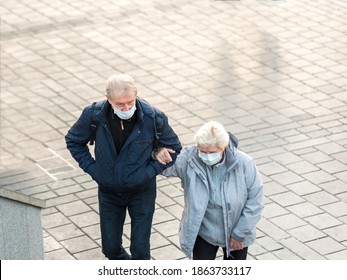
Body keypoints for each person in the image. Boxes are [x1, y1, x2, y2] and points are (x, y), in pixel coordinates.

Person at [65, 73, 181, 260]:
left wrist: (150, 171)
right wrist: (95, 171)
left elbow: (174, 148)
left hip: (142, 192)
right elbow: (73, 141)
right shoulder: (93, 115)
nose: (126, 108)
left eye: (130, 102)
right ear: (108, 99)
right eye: (120, 104)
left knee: (141, 251)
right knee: (110, 249)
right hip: (109, 192)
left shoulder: (153, 117)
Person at [155, 121, 263, 260]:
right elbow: (166, 167)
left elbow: (256, 201)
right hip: (204, 232)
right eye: (202, 151)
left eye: (212, 152)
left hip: (236, 232)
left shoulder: (244, 162)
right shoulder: (190, 158)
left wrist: (240, 233)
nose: (207, 156)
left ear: (223, 147)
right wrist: (158, 152)